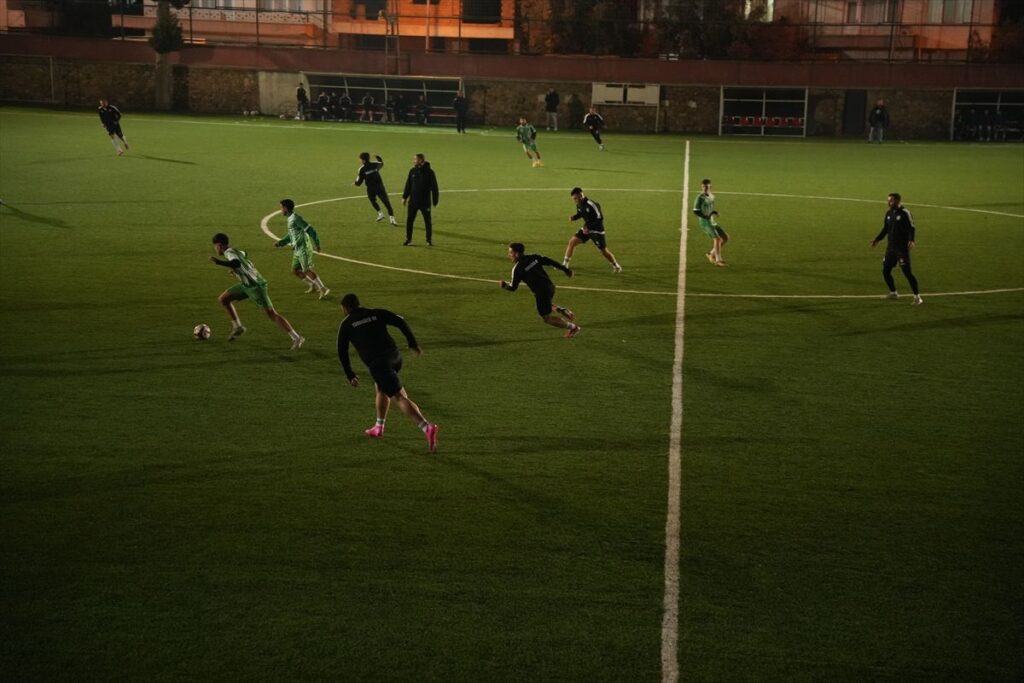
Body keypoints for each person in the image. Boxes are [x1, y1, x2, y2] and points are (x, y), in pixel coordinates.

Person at [337, 293, 439, 451]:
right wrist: (412, 343)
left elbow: (341, 351)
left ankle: (427, 427)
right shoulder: (376, 312)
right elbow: (400, 321)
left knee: (399, 397)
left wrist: (349, 374)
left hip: (379, 364)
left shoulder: (346, 324)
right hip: (395, 357)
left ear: (345, 308)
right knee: (381, 387)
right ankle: (379, 427)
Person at [209, 233, 305, 349]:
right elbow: (244, 255)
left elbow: (236, 263)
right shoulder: (235, 251)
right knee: (223, 299)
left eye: (215, 246)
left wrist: (219, 262)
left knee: (271, 313)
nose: (215, 249)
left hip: (255, 286)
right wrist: (236, 270)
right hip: (245, 285)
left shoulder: (229, 253)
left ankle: (296, 337)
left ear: (219, 245)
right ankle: (238, 327)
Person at [500, 242, 580, 339]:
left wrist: (504, 285)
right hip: (550, 287)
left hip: (541, 293)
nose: (509, 255)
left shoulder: (517, 269)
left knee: (547, 318)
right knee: (545, 303)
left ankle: (573, 328)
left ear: (516, 253)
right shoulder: (534, 257)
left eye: (510, 252)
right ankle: (560, 310)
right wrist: (566, 270)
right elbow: (550, 261)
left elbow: (513, 288)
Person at [870, 192, 922, 305]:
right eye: (888, 200)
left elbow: (911, 228)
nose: (889, 202)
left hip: (901, 249)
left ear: (898, 201)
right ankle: (893, 292)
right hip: (890, 248)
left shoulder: (905, 213)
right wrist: (877, 239)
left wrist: (911, 240)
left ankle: (917, 297)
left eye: (891, 200)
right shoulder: (889, 213)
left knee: (907, 272)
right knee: (885, 271)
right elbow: (885, 228)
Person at [275, 199, 330, 299]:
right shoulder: (290, 219)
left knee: (306, 270)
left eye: (281, 208)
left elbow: (311, 230)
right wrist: (281, 243)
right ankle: (312, 284)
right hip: (297, 249)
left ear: (285, 208)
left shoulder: (296, 218)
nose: (280, 210)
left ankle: (323, 288)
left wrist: (317, 243)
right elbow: (291, 234)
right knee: (295, 270)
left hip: (303, 248)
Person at [563, 187, 622, 273]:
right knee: (572, 242)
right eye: (573, 199)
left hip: (597, 230)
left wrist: (589, 228)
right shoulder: (579, 204)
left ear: (580, 195)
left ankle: (616, 265)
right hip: (586, 229)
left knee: (603, 251)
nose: (574, 200)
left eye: (575, 198)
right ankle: (565, 265)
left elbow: (600, 218)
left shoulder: (592, 204)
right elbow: (580, 213)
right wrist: (574, 217)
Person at [401, 153, 439, 246]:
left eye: (416, 159)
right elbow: (408, 185)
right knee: (409, 220)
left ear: (421, 160)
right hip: (413, 202)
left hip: (425, 202)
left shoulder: (430, 172)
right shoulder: (412, 171)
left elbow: (434, 187)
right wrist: (404, 197)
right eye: (414, 159)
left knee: (427, 221)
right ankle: (409, 239)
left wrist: (435, 200)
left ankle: (428, 240)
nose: (414, 161)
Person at [354, 152, 397, 226]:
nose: (360, 160)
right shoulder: (375, 164)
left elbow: (359, 183)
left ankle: (381, 213)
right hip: (379, 187)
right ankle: (390, 218)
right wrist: (378, 157)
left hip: (371, 189)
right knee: (386, 202)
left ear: (363, 160)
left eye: (360, 159)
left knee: (373, 201)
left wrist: (355, 183)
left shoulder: (361, 169)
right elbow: (381, 163)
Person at [693, 178, 729, 267]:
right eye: (703, 186)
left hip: (711, 221)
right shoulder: (700, 198)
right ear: (701, 187)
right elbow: (696, 211)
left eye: (706, 186)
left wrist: (714, 212)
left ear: (710, 186)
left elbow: (709, 208)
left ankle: (710, 254)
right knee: (717, 239)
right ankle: (718, 260)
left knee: (725, 237)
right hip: (705, 222)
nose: (705, 188)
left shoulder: (712, 196)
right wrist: (705, 216)